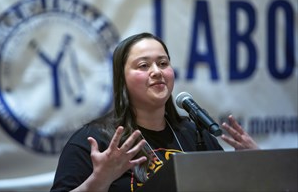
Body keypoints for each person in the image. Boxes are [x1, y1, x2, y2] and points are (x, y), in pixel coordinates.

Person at [50, 32, 259, 192]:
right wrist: (99, 181)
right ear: (122, 79)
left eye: (163, 63)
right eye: (143, 65)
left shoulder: (196, 134)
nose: (157, 72)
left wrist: (256, 168)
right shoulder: (95, 140)